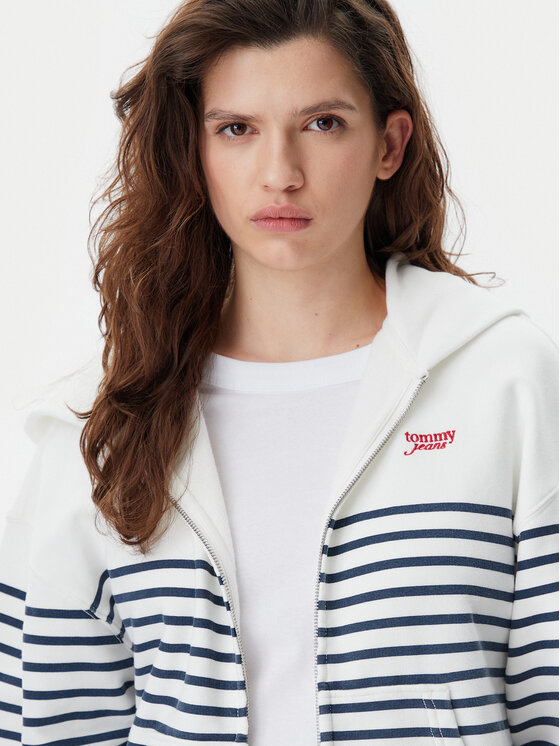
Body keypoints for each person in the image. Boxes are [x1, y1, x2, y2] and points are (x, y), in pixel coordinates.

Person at [0, 0, 557, 743]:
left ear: (389, 144)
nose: (280, 174)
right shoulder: (101, 428)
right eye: (237, 129)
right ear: (194, 152)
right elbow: (44, 720)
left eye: (322, 123)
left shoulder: (504, 384)